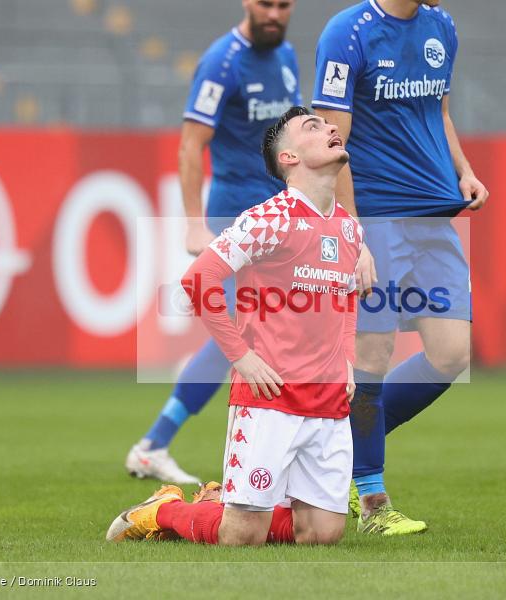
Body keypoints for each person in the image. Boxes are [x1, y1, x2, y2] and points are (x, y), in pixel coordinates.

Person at [107, 107, 362, 546]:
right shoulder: (267, 219)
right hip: (269, 398)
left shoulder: (349, 228)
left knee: (322, 536)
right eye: (313, 127)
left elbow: (346, 296)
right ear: (289, 159)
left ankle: (224, 500)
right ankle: (163, 511)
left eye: (328, 124)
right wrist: (240, 357)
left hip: (327, 399)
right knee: (240, 537)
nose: (331, 128)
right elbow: (198, 280)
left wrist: (348, 361)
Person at [311, 0, 490, 535]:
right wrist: (351, 231)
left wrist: (463, 169)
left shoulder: (442, 26)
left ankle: (333, 450)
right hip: (378, 216)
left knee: (451, 354)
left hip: (435, 215)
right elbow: (331, 142)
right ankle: (371, 502)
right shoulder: (348, 33)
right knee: (373, 351)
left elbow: (439, 110)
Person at [125, 0, 301, 483]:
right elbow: (190, 144)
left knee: (275, 330)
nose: (275, 14)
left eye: (284, 5)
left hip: (280, 214)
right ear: (247, 2)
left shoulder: (285, 56)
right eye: (267, 4)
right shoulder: (222, 62)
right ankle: (155, 443)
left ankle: (161, 444)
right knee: (241, 334)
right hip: (235, 213)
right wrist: (193, 223)